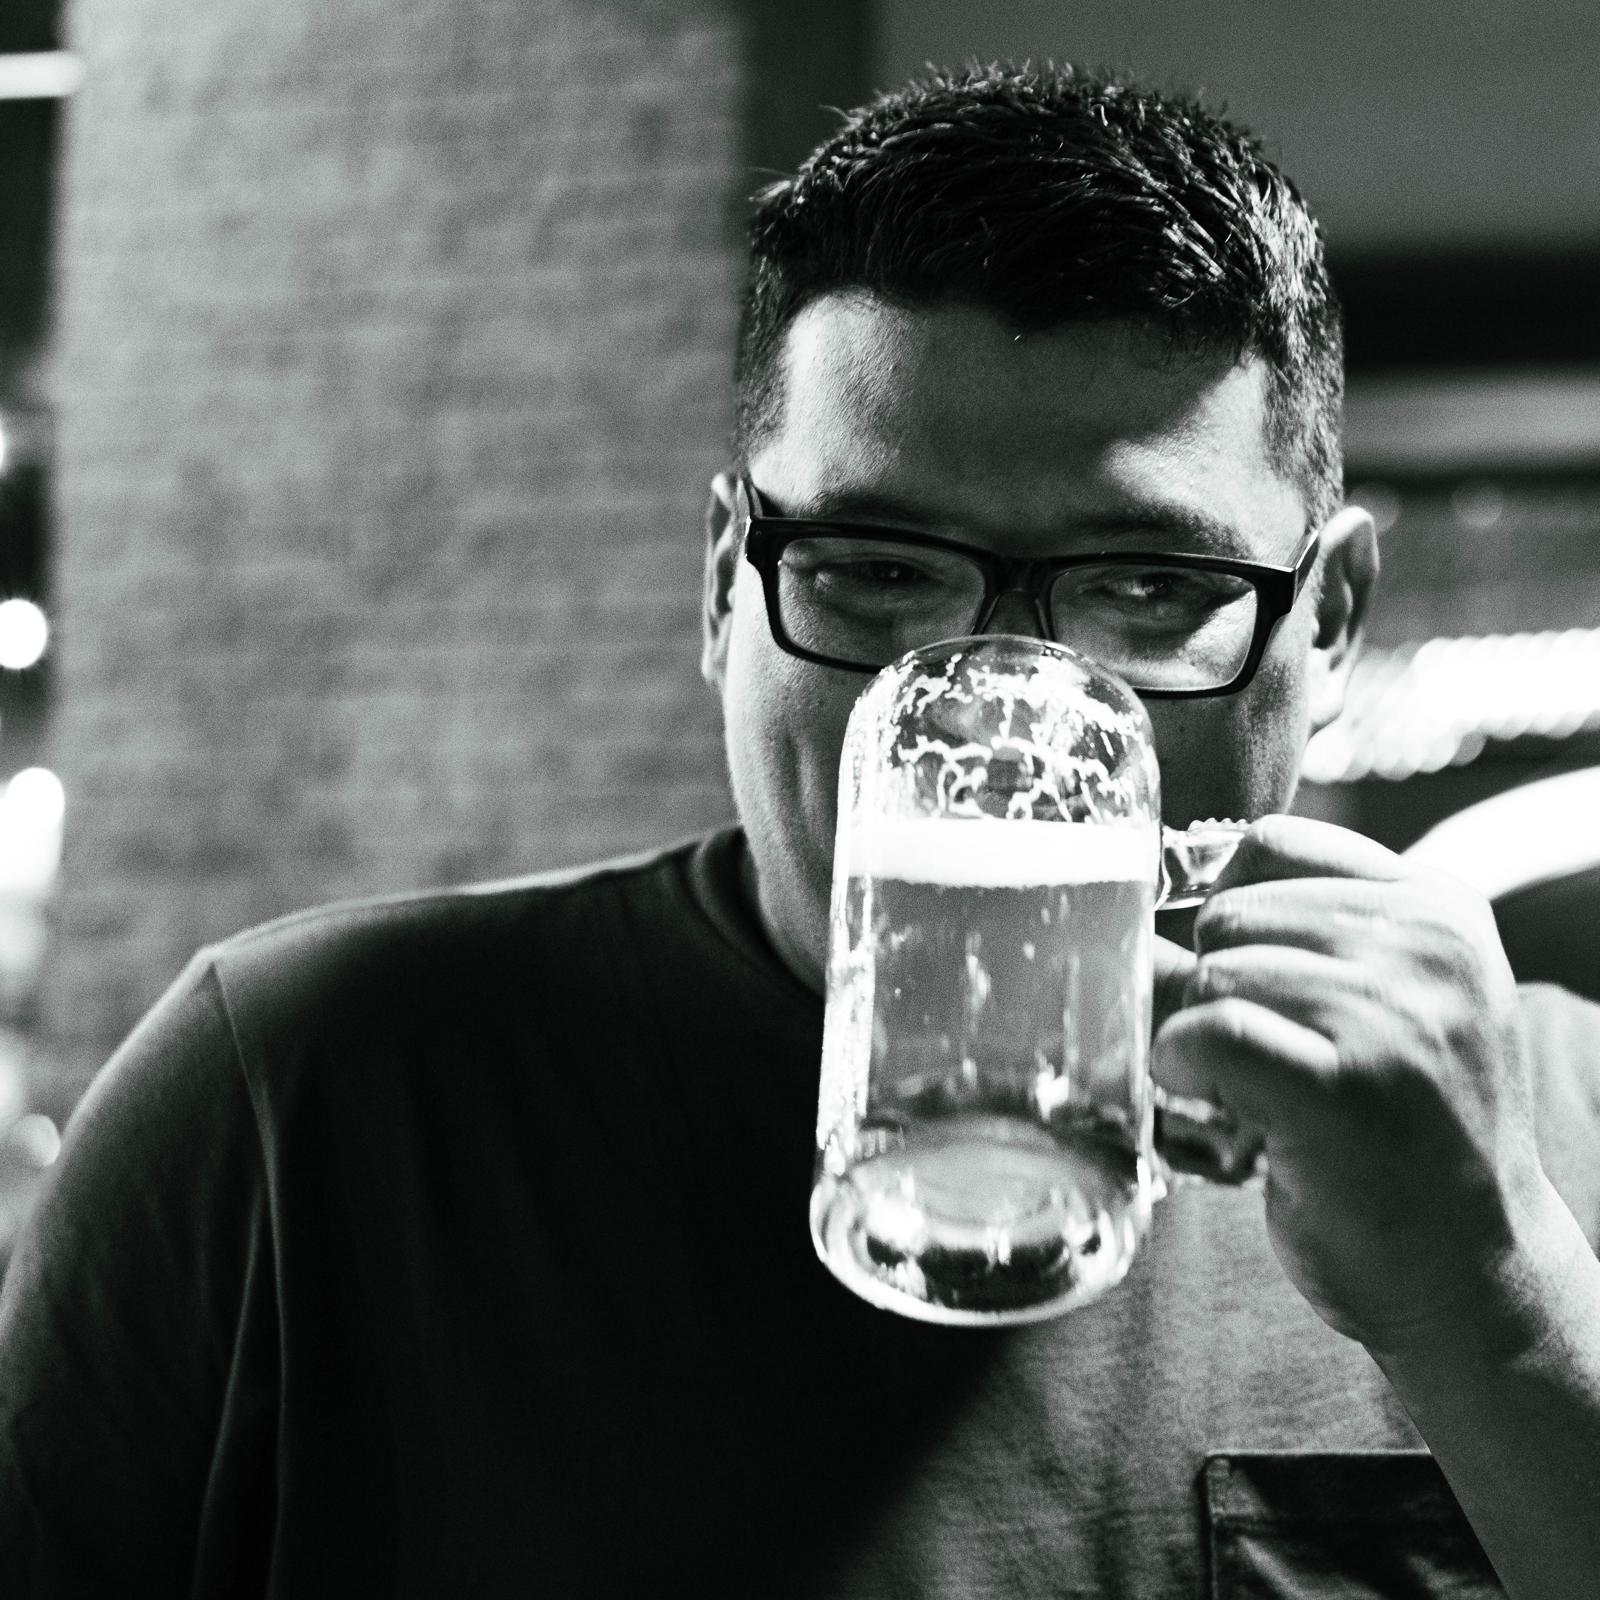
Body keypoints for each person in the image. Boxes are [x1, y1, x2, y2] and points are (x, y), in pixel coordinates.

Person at [1, 61, 1597, 1599]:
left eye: (1148, 588)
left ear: (1330, 623)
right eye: (878, 572)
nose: (995, 713)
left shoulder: (1557, 1122)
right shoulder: (293, 1102)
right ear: (724, 588)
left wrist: (1501, 1303)